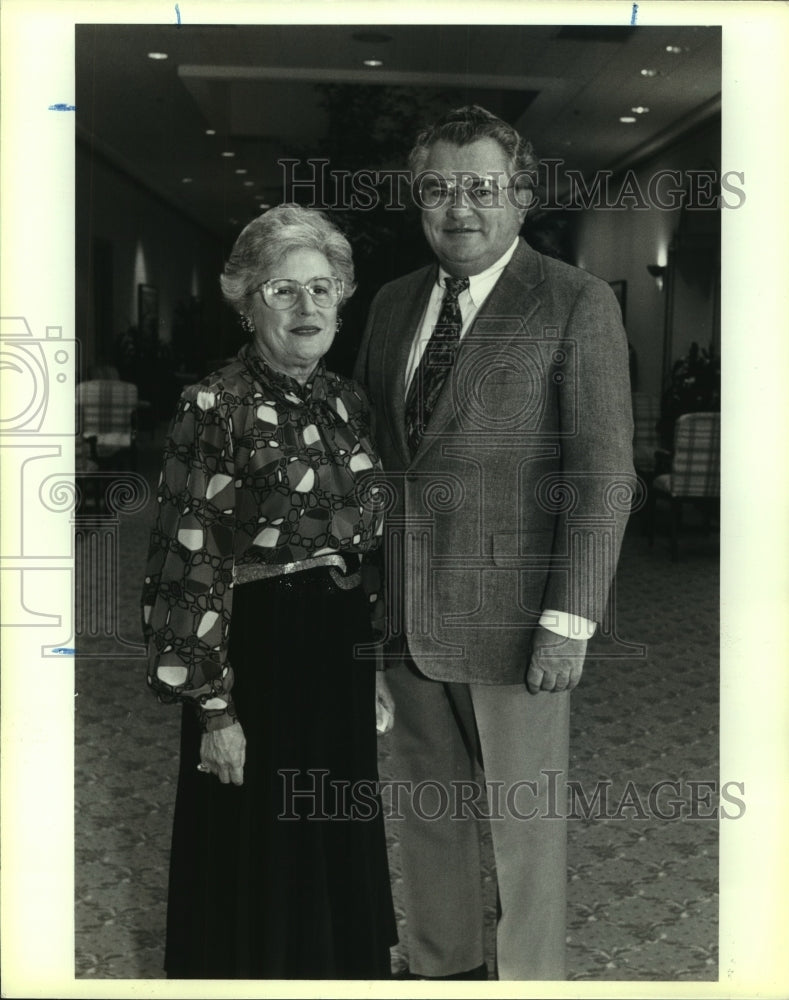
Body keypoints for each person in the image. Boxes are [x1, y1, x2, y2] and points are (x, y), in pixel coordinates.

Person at [354, 106, 635, 981]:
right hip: (401, 618)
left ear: (520, 198)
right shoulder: (395, 302)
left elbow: (601, 471)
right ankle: (442, 967)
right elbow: (371, 459)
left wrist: (569, 618)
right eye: (438, 188)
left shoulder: (574, 302)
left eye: (481, 187)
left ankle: (527, 985)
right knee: (426, 813)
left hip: (518, 626)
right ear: (417, 200)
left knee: (523, 830)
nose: (458, 208)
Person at [141, 204, 397, 979]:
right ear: (248, 302)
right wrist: (214, 708)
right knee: (260, 840)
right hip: (260, 650)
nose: (307, 307)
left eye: (321, 289)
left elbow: (364, 545)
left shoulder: (347, 401)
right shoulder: (210, 405)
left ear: (342, 300)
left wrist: (374, 664)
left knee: (330, 831)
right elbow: (184, 562)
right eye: (283, 291)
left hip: (338, 645)